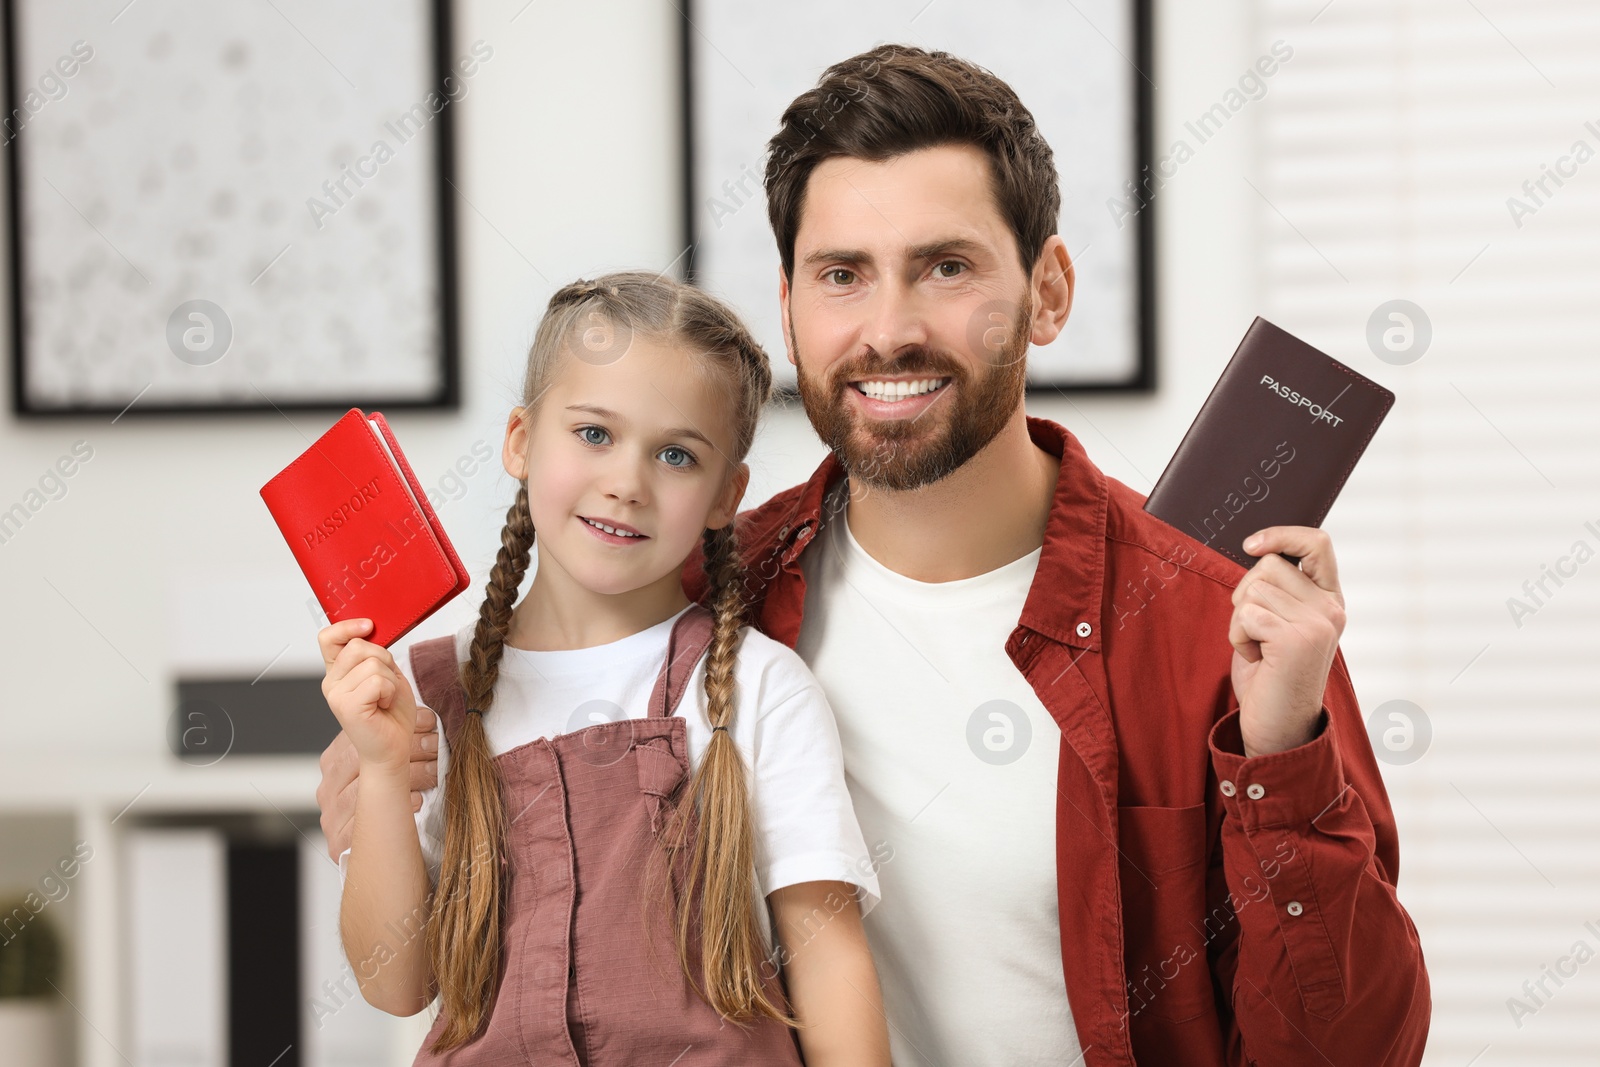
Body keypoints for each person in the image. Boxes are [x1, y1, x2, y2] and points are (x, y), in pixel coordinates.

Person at [319, 46, 1431, 1066]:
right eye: (842, 273)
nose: (887, 327)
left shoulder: (1215, 621)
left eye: (945, 267)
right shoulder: (698, 592)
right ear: (791, 305)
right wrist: (385, 777)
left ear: (1046, 291)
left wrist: (1281, 754)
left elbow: (1358, 1049)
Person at [317, 272, 891, 1065]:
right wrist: (383, 773)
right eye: (594, 434)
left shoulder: (758, 689)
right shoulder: (428, 695)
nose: (627, 482)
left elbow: (828, 958)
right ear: (521, 439)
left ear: (727, 494)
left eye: (676, 454)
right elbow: (397, 982)